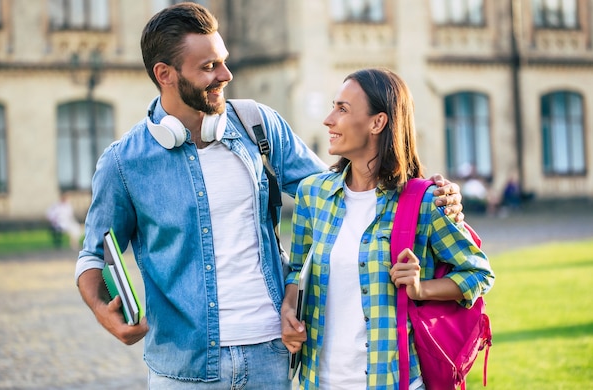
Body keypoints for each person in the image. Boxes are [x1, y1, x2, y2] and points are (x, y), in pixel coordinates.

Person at [74, 4, 465, 389]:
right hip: (183, 369)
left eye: (223, 61)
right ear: (165, 75)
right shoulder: (124, 164)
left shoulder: (258, 126)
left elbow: (340, 191)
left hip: (270, 357)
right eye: (208, 67)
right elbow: (93, 256)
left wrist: (425, 192)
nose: (225, 75)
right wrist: (101, 309)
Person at [281, 68, 495, 390]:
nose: (328, 119)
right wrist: (290, 311)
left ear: (377, 123)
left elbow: (479, 273)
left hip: (393, 382)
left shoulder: (424, 201)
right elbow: (298, 270)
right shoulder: (313, 194)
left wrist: (421, 289)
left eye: (342, 109)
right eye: (333, 106)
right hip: (318, 381)